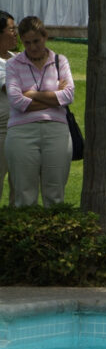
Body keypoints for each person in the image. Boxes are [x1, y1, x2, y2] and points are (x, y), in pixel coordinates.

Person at [3, 16, 74, 207]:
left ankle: (55, 227)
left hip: (56, 129)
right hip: (21, 131)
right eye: (27, 43)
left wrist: (33, 94)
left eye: (36, 41)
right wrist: (55, 99)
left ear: (45, 36)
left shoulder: (60, 61)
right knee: (24, 194)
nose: (33, 47)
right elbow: (17, 101)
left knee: (55, 193)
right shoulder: (13, 64)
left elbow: (68, 95)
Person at [0, 10, 18, 202]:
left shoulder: (15, 58)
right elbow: (12, 89)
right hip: (1, 131)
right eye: (11, 29)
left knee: (20, 187)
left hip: (21, 129)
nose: (15, 34)